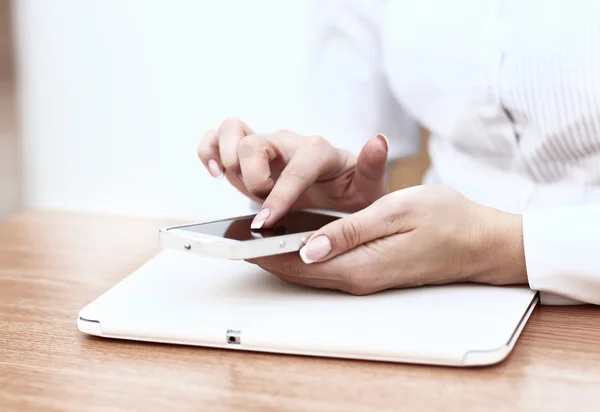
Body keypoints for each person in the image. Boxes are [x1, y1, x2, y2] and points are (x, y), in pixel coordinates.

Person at [197, 0, 600, 305]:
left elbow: (476, 243)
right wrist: (329, 200)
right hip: (431, 301)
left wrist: (498, 246)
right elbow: (354, 136)